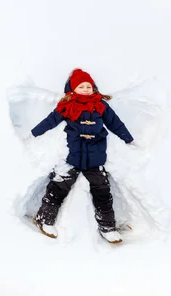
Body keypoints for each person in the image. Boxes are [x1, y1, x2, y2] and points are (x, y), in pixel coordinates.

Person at [29, 68, 134, 244]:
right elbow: (50, 121)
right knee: (59, 185)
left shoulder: (101, 106)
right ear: (72, 89)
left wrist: (128, 138)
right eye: (81, 86)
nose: (86, 89)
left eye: (89, 86)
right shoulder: (67, 105)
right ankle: (44, 219)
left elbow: (115, 123)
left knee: (102, 190)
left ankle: (108, 227)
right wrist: (34, 133)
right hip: (73, 156)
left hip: (96, 157)